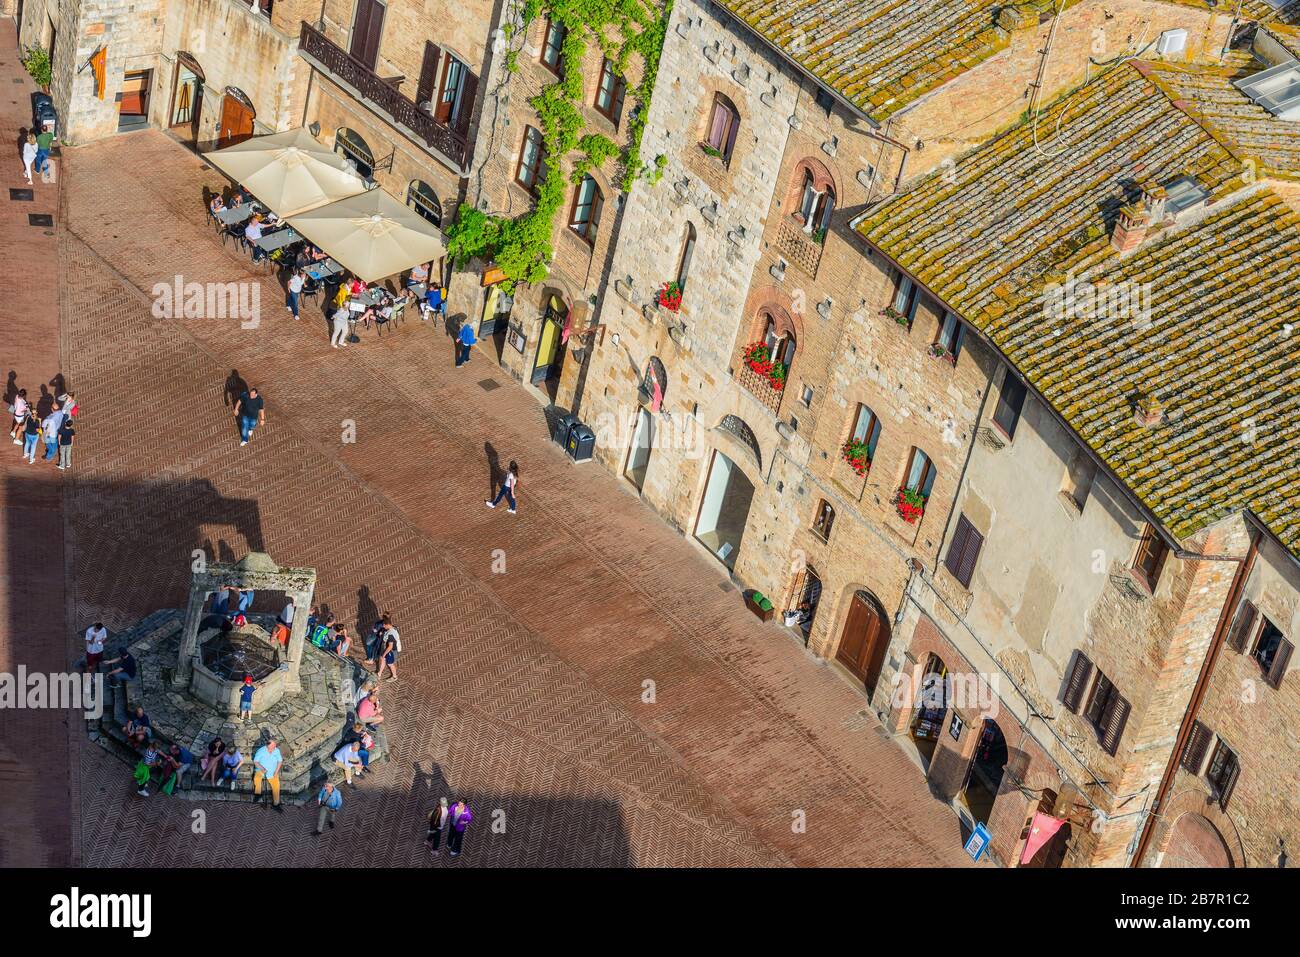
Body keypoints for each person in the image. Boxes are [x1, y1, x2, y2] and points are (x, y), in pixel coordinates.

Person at [252, 739, 284, 811]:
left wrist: (276, 771)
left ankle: (276, 804)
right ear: (268, 746)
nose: (275, 748)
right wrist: (262, 768)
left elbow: (280, 761)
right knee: (256, 779)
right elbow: (256, 761)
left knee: (276, 786)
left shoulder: (276, 750)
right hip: (261, 770)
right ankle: (258, 794)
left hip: (273, 771)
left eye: (275, 746)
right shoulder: (260, 751)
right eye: (273, 747)